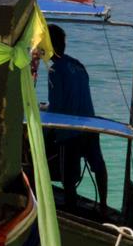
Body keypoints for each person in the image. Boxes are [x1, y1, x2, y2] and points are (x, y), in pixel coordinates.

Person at [44, 22, 108, 215]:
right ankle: (104, 205)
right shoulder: (78, 64)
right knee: (98, 165)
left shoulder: (54, 70)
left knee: (67, 174)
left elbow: (55, 108)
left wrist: (46, 133)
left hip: (70, 129)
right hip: (90, 125)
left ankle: (70, 208)